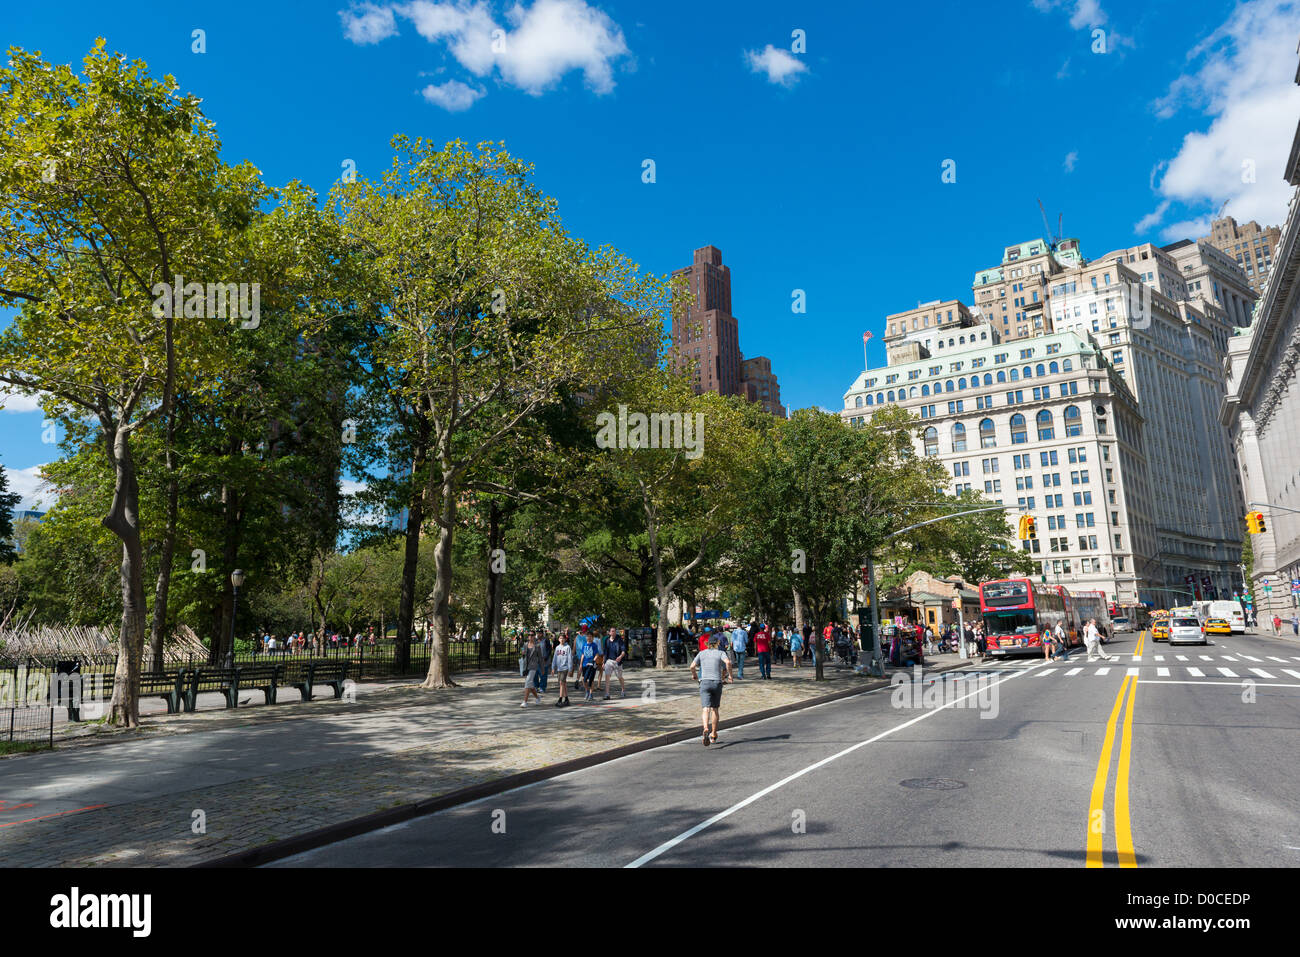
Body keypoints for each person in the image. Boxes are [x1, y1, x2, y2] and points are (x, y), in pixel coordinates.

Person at [690, 635, 733, 746]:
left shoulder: (701, 653)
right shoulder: (720, 653)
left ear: (707, 644)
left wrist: (694, 675)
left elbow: (692, 665)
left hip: (704, 682)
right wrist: (730, 676)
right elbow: (728, 663)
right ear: (718, 643)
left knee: (705, 709)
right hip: (716, 682)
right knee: (715, 709)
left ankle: (705, 728)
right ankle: (713, 734)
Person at [520, 633, 545, 706]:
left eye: (532, 635)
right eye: (529, 635)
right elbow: (523, 655)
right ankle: (537, 698)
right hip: (526, 666)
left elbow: (540, 658)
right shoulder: (525, 644)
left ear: (534, 636)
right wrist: (522, 653)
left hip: (533, 666)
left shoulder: (537, 646)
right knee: (530, 684)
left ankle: (525, 702)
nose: (530, 636)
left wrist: (542, 668)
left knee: (527, 682)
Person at [602, 627, 627, 700]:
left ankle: (623, 689)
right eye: (612, 631)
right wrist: (604, 662)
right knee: (607, 677)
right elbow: (605, 652)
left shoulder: (619, 640)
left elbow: (623, 651)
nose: (613, 632)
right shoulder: (607, 640)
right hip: (609, 661)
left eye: (614, 631)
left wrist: (620, 657)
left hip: (617, 661)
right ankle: (607, 694)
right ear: (609, 633)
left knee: (619, 677)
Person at [551, 632, 574, 707]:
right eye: (560, 638)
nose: (562, 640)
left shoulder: (567, 647)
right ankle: (566, 699)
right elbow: (555, 658)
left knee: (561, 683)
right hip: (559, 668)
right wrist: (553, 667)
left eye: (563, 638)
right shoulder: (557, 648)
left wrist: (570, 669)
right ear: (558, 639)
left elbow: (570, 658)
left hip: (565, 667)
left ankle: (560, 699)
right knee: (563, 684)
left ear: (565, 639)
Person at [579, 631, 601, 701]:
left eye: (590, 636)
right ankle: (587, 691)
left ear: (592, 637)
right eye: (588, 636)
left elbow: (597, 654)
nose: (589, 638)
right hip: (584, 664)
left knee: (591, 680)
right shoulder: (584, 645)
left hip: (591, 664)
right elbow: (583, 655)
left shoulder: (594, 645)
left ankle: (591, 694)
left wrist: (593, 661)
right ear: (586, 637)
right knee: (584, 679)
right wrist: (580, 664)